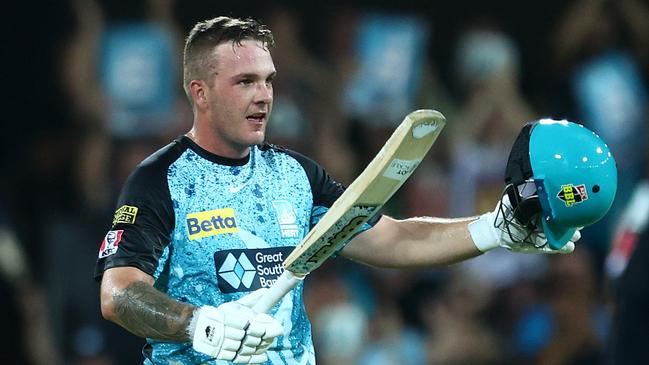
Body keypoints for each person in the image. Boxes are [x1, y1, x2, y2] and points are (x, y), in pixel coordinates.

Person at [95, 16, 606, 365]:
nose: (264, 96)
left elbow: (392, 239)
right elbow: (118, 293)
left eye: (269, 80)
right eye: (245, 81)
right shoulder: (159, 180)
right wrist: (197, 324)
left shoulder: (295, 175)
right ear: (199, 93)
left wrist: (493, 229)